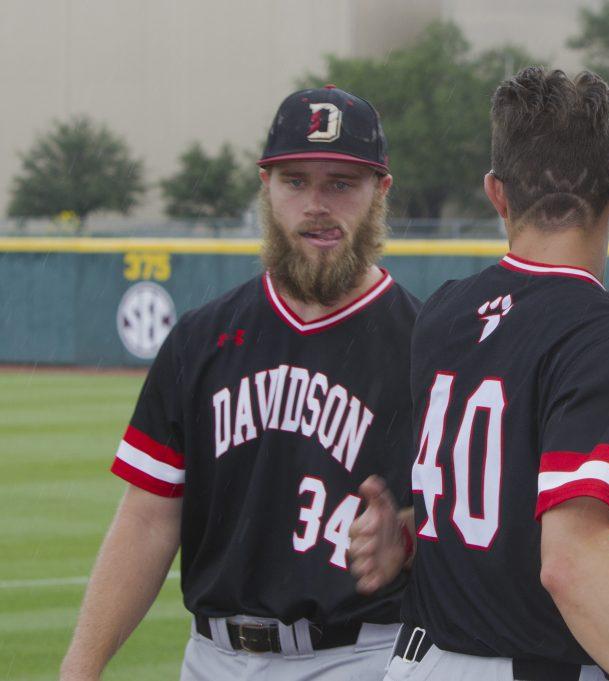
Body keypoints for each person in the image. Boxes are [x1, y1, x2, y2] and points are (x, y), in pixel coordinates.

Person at [349, 66, 609, 681]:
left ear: (496, 193)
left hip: (416, 661)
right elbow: (573, 565)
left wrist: (406, 532)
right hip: (529, 663)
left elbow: (487, 498)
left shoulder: (443, 314)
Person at [60, 85, 420, 681]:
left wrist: (407, 542)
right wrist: (81, 667)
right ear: (266, 186)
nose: (317, 205)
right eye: (295, 181)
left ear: (380, 192)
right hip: (213, 659)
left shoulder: (425, 346)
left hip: (363, 655)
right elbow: (150, 518)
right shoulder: (202, 340)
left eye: (341, 183)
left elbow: (474, 529)